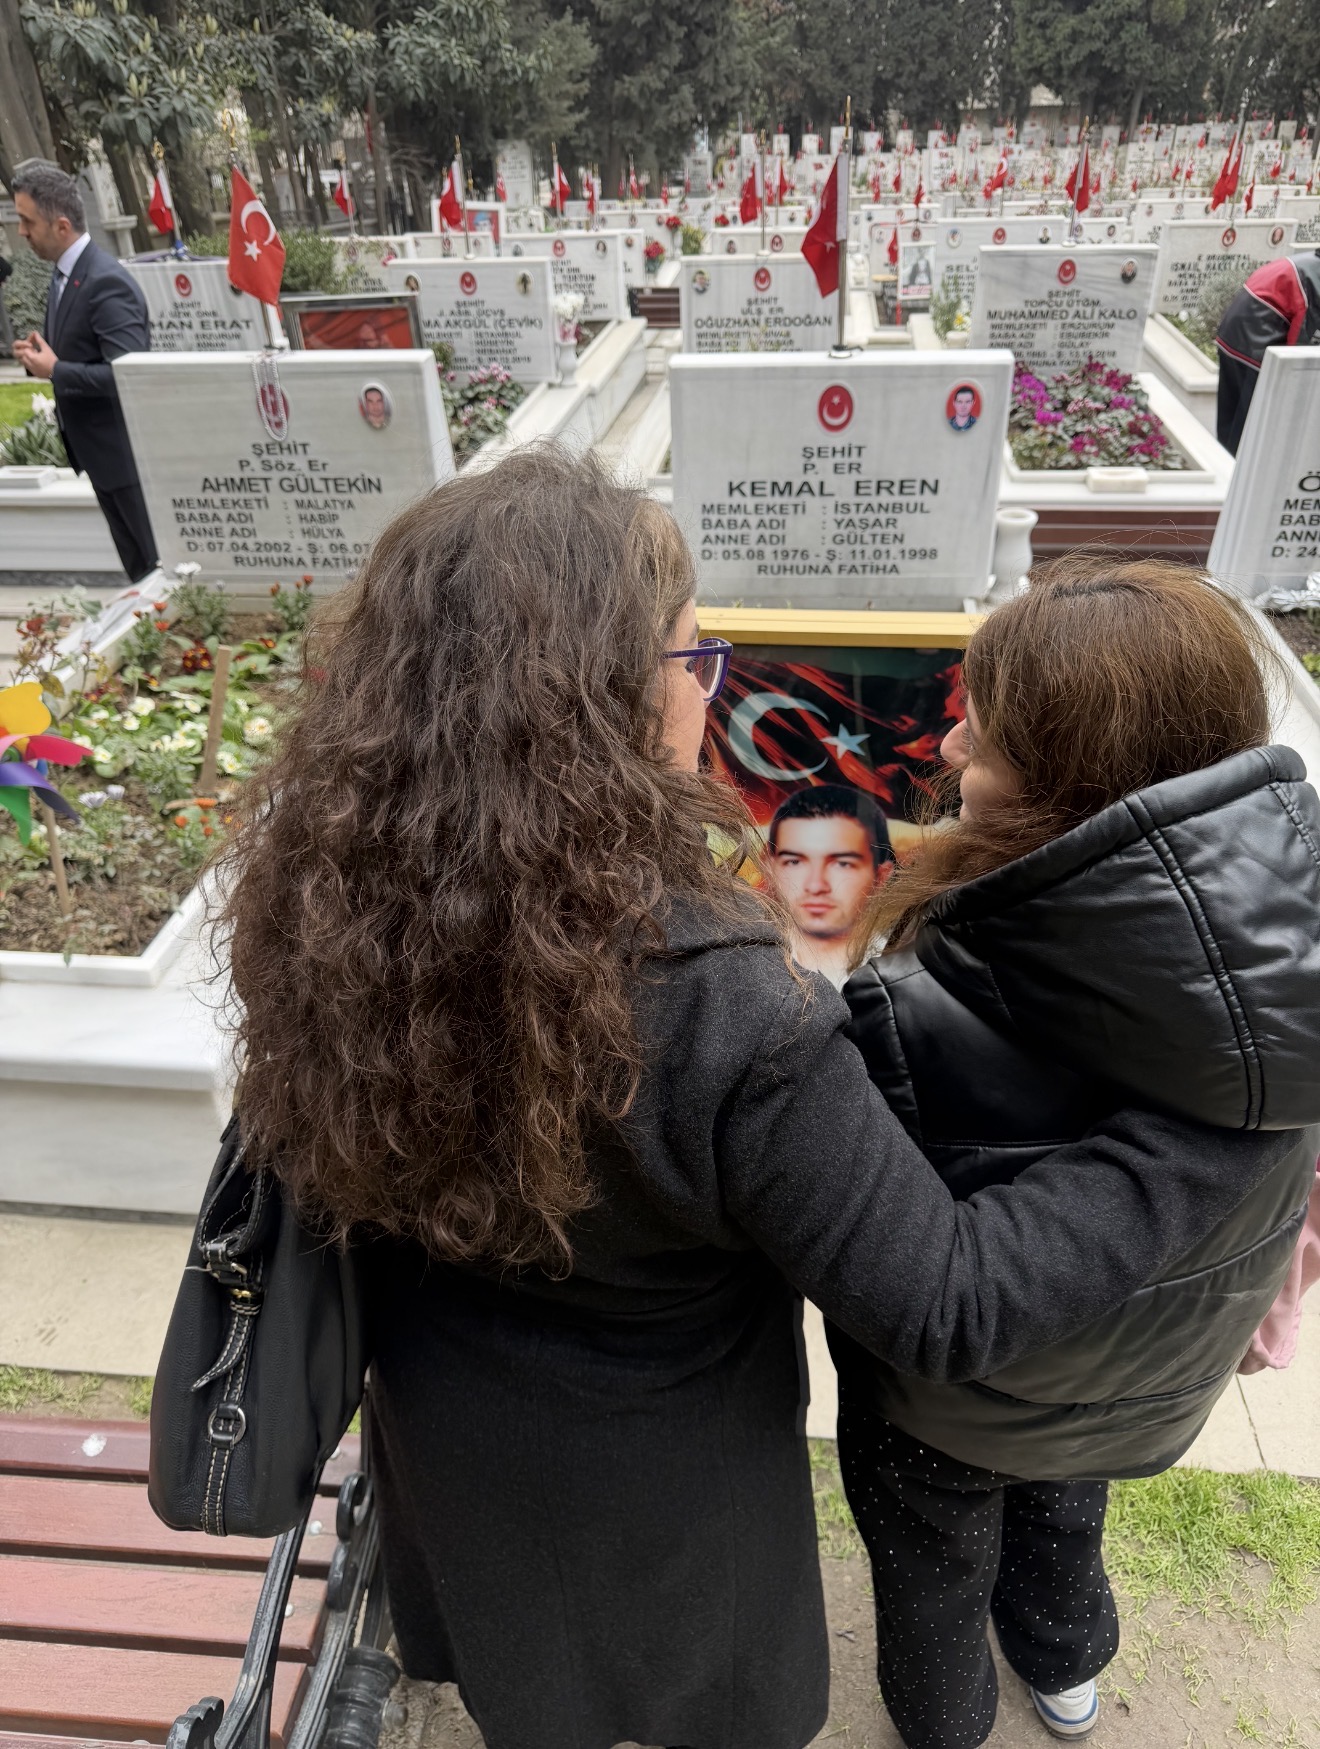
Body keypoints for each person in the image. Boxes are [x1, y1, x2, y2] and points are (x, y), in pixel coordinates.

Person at [217, 452, 1307, 1749]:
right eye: (695, 659)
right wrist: (1206, 1150)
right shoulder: (728, 1007)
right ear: (610, 701)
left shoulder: (323, 905)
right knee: (697, 1692)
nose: (713, 685)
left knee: (535, 1678)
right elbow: (947, 1300)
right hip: (671, 1462)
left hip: (451, 1428)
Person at [836, 559, 1320, 1749]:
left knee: (933, 1555)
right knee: (1067, 1505)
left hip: (952, 1410)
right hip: (1143, 1374)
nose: (950, 745)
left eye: (985, 735)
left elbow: (904, 1257)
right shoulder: (1290, 969)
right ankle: (1066, 1668)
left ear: (1066, 778)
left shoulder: (913, 999)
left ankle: (946, 1720)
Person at [11, 162, 158, 582]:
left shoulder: (105, 281)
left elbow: (128, 375)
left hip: (125, 462)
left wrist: (57, 369)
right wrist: (42, 357)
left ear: (61, 225)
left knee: (155, 571)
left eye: (28, 221)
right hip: (100, 459)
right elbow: (82, 354)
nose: (22, 231)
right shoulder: (66, 275)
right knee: (139, 573)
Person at [767, 783, 893, 985]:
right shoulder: (738, 963)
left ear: (881, 877)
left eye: (842, 864)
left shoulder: (901, 974)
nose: (816, 886)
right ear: (770, 869)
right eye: (794, 862)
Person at [1214, 249, 1320, 454]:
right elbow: (1302, 344)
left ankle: (1224, 462)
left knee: (1232, 420)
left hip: (1235, 334)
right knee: (1251, 431)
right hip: (1256, 344)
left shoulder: (1308, 265)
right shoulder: (1314, 280)